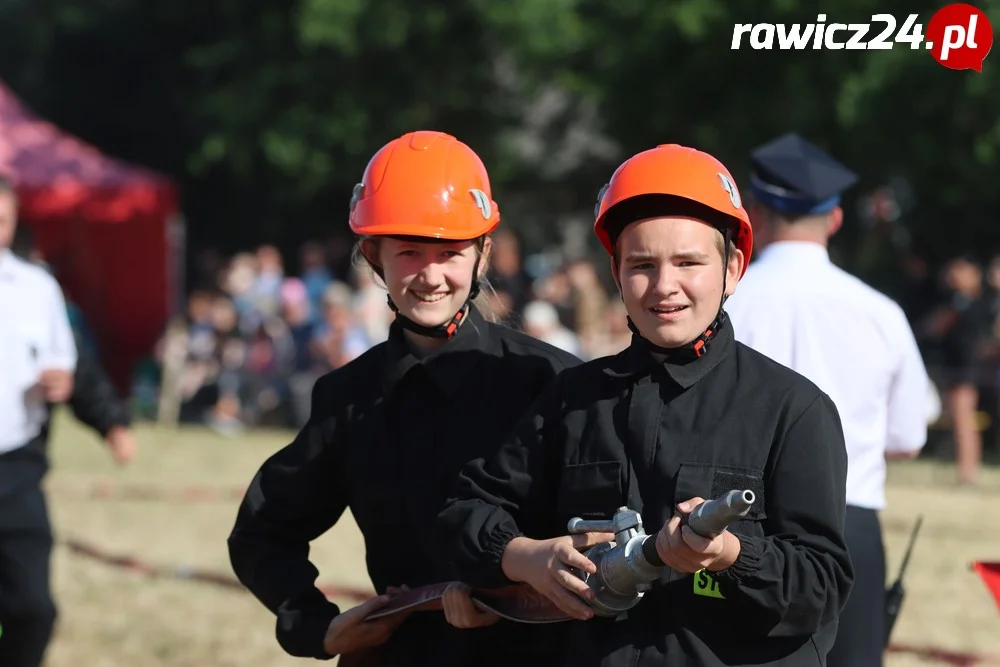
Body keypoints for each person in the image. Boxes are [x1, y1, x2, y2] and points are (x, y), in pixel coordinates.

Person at [436, 143, 854, 667]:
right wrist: (526, 557)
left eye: (688, 262)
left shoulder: (794, 410)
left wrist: (730, 555)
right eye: (642, 264)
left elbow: (821, 588)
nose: (664, 286)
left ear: (733, 268)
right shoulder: (572, 400)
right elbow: (465, 515)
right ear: (615, 271)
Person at [226, 130, 581, 666]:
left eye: (451, 252)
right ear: (374, 255)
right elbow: (262, 531)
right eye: (410, 251)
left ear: (483, 255)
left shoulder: (553, 382)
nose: (431, 275)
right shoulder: (348, 399)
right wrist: (315, 626)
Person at [723, 133, 931, 667]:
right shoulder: (881, 312)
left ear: (754, 207)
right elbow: (908, 439)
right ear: (834, 219)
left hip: (743, 528)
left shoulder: (725, 302)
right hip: (849, 521)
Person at [0, 176, 77, 667]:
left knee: (33, 609)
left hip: (15, 466)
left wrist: (59, 382)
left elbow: (66, 366)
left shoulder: (37, 287)